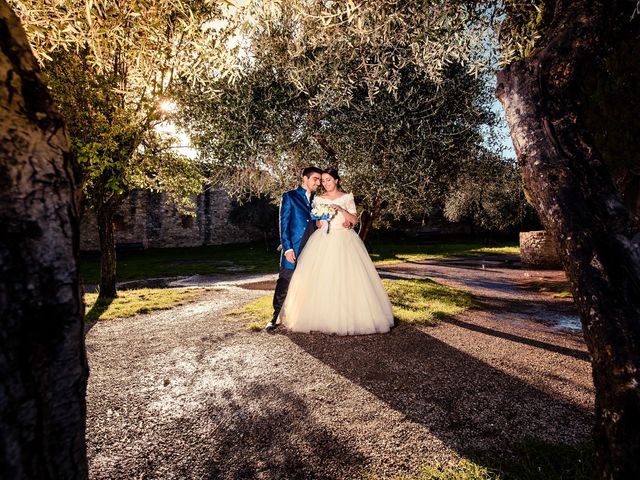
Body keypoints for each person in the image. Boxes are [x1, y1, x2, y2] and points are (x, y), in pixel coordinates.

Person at [279, 167, 394, 335]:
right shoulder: (318, 199)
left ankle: (353, 316)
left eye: (328, 180)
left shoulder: (347, 197)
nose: (325, 184)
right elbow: (316, 222)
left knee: (348, 279)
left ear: (336, 180)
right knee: (323, 279)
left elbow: (353, 220)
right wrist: (321, 219)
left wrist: (341, 211)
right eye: (322, 181)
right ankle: (322, 317)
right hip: (322, 240)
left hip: (344, 240)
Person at [266, 166, 323, 331]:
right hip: (294, 248)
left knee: (309, 282)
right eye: (315, 179)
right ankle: (274, 317)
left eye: (320, 180)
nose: (318, 183)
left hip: (312, 247)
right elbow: (283, 225)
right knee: (285, 281)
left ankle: (307, 317)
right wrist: (288, 248)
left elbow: (315, 223)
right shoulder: (289, 196)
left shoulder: (317, 201)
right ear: (304, 179)